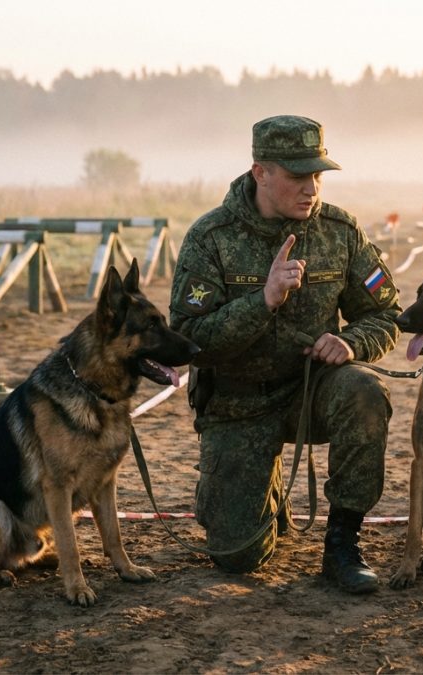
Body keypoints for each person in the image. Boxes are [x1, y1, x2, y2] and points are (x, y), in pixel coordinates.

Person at [169, 114, 401, 594]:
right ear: (261, 172)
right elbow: (189, 339)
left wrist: (350, 342)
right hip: (237, 404)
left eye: (318, 175)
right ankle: (263, 493)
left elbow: (385, 314)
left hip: (311, 392)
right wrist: (263, 301)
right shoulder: (210, 238)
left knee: (364, 391)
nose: (311, 188)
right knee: (237, 557)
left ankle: (342, 545)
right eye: (297, 176)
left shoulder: (339, 231)